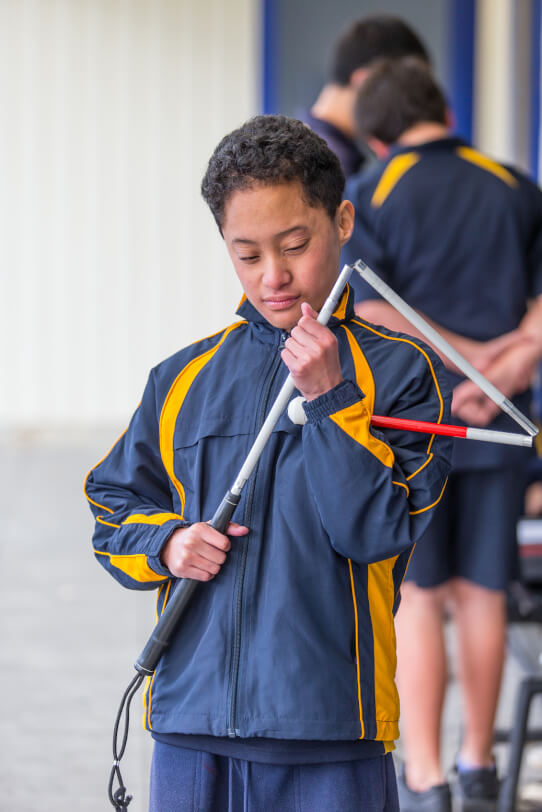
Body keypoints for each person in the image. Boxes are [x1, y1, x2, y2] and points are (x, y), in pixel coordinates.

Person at [85, 114, 452, 812]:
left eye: (294, 245)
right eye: (247, 254)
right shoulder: (182, 377)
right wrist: (167, 542)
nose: (274, 276)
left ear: (342, 221)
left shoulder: (406, 374)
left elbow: (373, 532)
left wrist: (330, 398)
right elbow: (111, 508)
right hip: (190, 725)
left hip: (331, 730)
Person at [342, 58, 542, 812]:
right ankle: (477, 767)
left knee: (421, 597)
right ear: (446, 115)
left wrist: (461, 365)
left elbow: (372, 308)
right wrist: (503, 366)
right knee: (484, 593)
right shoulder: (515, 185)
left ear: (378, 135)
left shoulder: (371, 191)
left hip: (417, 421)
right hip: (504, 422)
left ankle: (424, 779)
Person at [301, 14, 430, 177]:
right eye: (406, 94)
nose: (409, 113)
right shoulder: (321, 169)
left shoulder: (312, 153)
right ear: (365, 83)